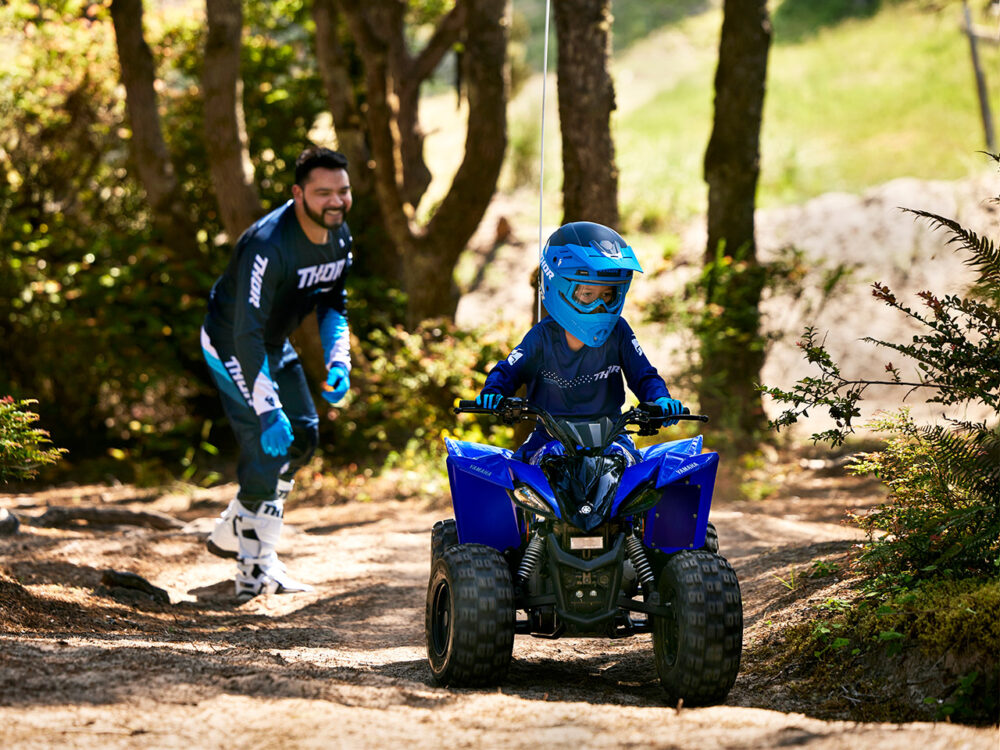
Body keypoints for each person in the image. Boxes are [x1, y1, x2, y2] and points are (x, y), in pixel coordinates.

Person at [200, 146, 355, 601]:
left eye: (343, 192)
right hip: (233, 342)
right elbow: (245, 333)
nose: (335, 202)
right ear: (298, 194)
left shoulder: (340, 234)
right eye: (323, 192)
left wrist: (339, 359)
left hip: (272, 343)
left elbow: (333, 304)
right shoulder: (267, 245)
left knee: (303, 437)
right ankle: (253, 569)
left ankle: (235, 528)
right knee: (270, 444)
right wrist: (267, 409)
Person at [475, 221, 685, 464]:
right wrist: (494, 393)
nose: (600, 306)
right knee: (514, 482)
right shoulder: (542, 336)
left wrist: (661, 400)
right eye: (588, 295)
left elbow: (644, 375)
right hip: (549, 438)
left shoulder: (619, 331)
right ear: (559, 288)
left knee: (642, 487)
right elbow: (508, 370)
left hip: (611, 439)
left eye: (608, 295)